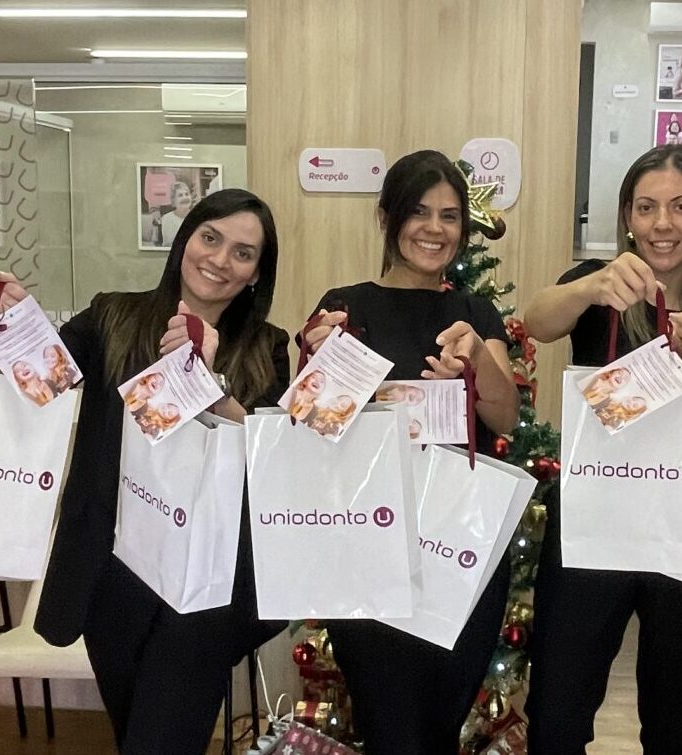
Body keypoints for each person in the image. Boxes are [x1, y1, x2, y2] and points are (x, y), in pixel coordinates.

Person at [0, 188, 289, 754]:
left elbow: (270, 453)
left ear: (257, 273)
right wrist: (7, 324)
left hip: (210, 578)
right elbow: (44, 380)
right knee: (138, 729)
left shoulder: (267, 346)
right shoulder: (111, 316)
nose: (219, 259)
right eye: (210, 238)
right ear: (184, 239)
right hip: (113, 567)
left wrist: (208, 382)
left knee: (160, 740)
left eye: (243, 253)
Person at [521, 143, 682, 754]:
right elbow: (537, 321)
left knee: (675, 729)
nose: (662, 224)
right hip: (593, 528)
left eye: (681, 206)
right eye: (647, 207)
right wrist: (593, 284)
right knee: (556, 718)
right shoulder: (597, 290)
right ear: (627, 216)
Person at [298, 149, 520, 754]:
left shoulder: (474, 313)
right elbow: (312, 427)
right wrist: (320, 362)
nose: (434, 229)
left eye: (450, 216)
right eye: (419, 212)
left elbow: (504, 417)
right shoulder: (347, 308)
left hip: (460, 547)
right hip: (369, 545)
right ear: (387, 218)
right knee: (389, 726)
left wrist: (476, 361)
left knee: (441, 726)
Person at [158, 177, 198, 248]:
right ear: (173, 201)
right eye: (180, 195)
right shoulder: (167, 219)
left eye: (187, 194)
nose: (185, 197)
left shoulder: (197, 217)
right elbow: (168, 245)